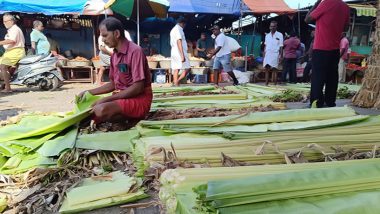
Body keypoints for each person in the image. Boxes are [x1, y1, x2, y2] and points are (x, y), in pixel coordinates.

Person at [78, 17, 152, 124]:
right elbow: (113, 84)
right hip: (124, 99)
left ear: (116, 33)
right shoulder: (114, 56)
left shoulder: (135, 51)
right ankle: (123, 117)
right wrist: (88, 92)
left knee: (100, 109)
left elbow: (138, 87)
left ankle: (130, 116)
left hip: (140, 100)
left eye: (105, 35)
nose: (102, 40)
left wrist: (106, 99)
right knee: (91, 109)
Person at [305, 0, 350, 108]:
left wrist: (317, 2)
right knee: (332, 78)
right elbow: (346, 28)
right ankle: (330, 102)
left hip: (321, 48)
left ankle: (316, 102)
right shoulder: (345, 7)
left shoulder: (325, 3)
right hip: (334, 49)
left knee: (317, 78)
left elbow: (307, 19)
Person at [0, 13, 25, 93]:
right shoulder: (11, 30)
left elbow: (12, 40)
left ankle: (8, 88)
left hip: (16, 51)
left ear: (11, 21)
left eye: (5, 21)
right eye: (3, 22)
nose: (4, 23)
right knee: (3, 66)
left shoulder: (14, 29)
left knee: (3, 67)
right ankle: (5, 83)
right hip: (10, 51)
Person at [170, 17, 190, 86]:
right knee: (187, 68)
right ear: (182, 23)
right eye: (184, 24)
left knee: (176, 68)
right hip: (180, 52)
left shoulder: (173, 30)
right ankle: (177, 82)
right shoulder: (179, 29)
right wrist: (182, 55)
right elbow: (179, 41)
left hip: (174, 51)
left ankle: (175, 84)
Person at [263, 21, 284, 85]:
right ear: (269, 27)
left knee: (275, 69)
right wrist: (264, 54)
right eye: (271, 26)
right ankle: (266, 83)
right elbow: (265, 45)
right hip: (268, 53)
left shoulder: (280, 35)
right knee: (267, 68)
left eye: (274, 26)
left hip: (275, 54)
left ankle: (275, 84)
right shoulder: (267, 35)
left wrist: (281, 56)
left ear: (276, 27)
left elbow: (281, 46)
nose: (272, 28)